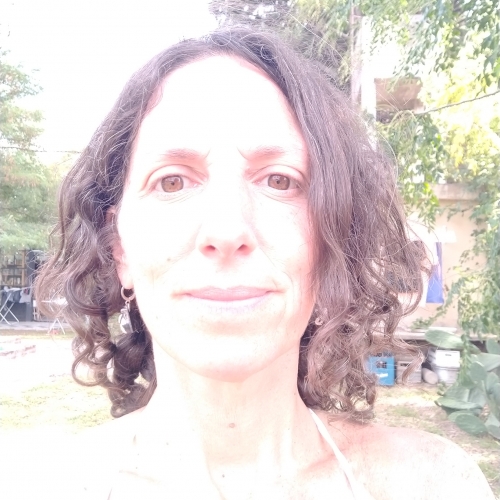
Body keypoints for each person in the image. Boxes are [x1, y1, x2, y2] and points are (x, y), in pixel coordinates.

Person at [36, 26, 494, 499]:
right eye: (172, 182)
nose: (226, 230)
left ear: (333, 241)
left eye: (279, 180)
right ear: (119, 247)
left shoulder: (435, 484)